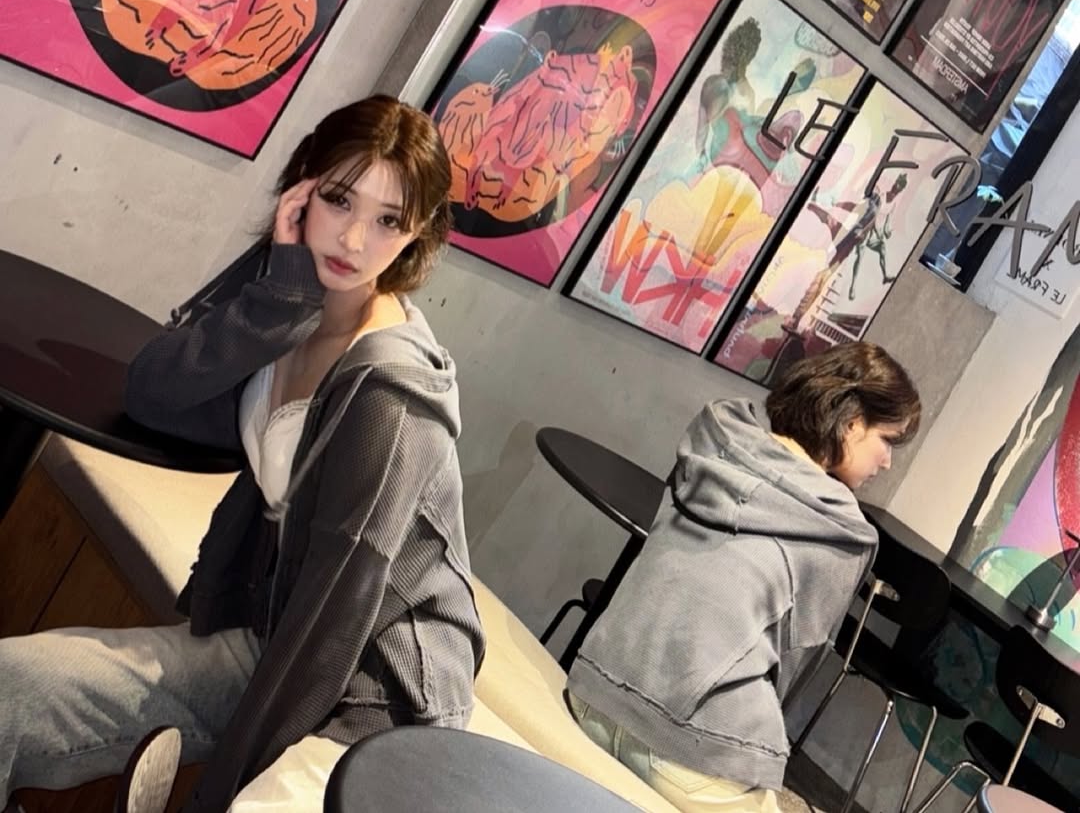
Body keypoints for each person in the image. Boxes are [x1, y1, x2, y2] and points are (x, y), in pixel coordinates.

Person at [0, 96, 484, 811]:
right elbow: (152, 393)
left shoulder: (390, 396)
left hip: (375, 698)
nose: (353, 238)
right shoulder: (287, 295)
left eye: (389, 221)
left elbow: (330, 628)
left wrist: (221, 793)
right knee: (12, 688)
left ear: (417, 235)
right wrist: (278, 299)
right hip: (273, 632)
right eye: (339, 199)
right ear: (303, 188)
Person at [567, 343, 920, 813]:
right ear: (852, 423)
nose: (887, 461)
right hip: (691, 751)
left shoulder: (714, 442)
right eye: (888, 440)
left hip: (593, 687)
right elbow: (794, 669)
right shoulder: (842, 533)